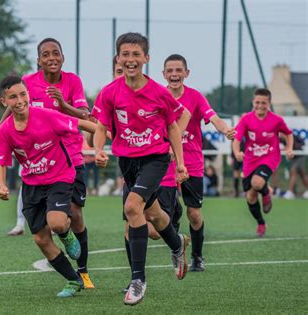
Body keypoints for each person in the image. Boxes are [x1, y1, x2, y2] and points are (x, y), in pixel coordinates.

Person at [0, 38, 95, 288]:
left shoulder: (72, 81)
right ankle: (73, 272)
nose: (51, 58)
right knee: (49, 228)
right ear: (38, 60)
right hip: (39, 166)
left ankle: (83, 271)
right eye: (46, 54)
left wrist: (63, 104)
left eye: (56, 53)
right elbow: (12, 106)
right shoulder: (28, 83)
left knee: (74, 214)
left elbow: (86, 117)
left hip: (70, 156)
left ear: (63, 57)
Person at [93, 33, 190, 306]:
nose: (131, 60)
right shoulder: (110, 92)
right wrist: (99, 149)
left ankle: (138, 280)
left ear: (146, 58)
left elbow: (172, 126)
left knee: (132, 208)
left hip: (155, 160)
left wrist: (180, 163)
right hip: (127, 162)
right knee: (154, 215)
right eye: (125, 54)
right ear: (118, 59)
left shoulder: (159, 93)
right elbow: (101, 126)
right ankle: (177, 244)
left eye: (136, 54)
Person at [162, 54, 235, 272]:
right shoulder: (158, 95)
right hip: (164, 163)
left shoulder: (195, 97)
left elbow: (213, 118)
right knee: (165, 215)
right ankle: (177, 248)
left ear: (186, 73)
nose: (174, 75)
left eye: (178, 70)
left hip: (191, 162)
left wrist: (225, 130)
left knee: (193, 213)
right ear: (164, 74)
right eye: (170, 71)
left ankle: (197, 256)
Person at [233, 88, 294, 237]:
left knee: (257, 183)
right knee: (250, 196)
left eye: (264, 103)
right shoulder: (246, 119)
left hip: (270, 157)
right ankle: (261, 223)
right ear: (253, 102)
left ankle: (266, 192)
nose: (260, 105)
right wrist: (237, 152)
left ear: (269, 103)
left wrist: (289, 148)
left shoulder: (276, 120)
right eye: (258, 102)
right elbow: (236, 139)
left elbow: (288, 133)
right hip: (250, 160)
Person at [283, 134, 308, 199]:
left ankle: (290, 192)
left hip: (300, 155)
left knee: (293, 171)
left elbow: (293, 146)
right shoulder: (280, 138)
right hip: (294, 157)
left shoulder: (290, 136)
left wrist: (288, 148)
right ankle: (293, 192)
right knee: (302, 174)